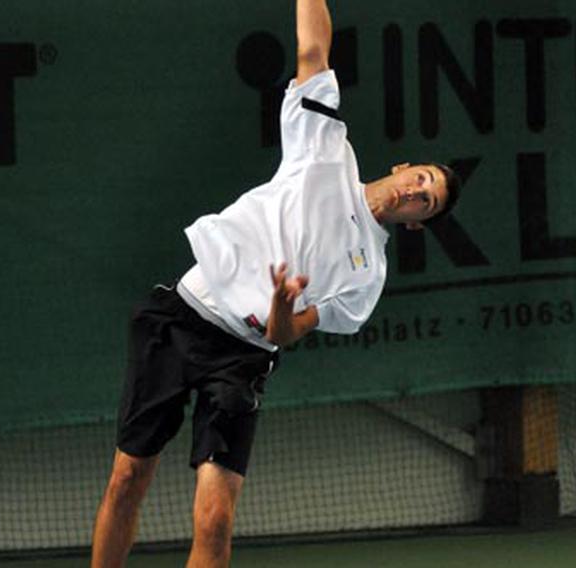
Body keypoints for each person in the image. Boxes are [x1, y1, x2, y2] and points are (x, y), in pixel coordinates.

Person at [91, 1, 461, 566]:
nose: (417, 191)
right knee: (128, 477)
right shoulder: (324, 143)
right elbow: (314, 47)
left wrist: (282, 305)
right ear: (404, 166)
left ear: (414, 223)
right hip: (183, 314)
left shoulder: (367, 277)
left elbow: (286, 333)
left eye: (427, 202)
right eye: (422, 178)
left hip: (241, 358)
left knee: (215, 519)